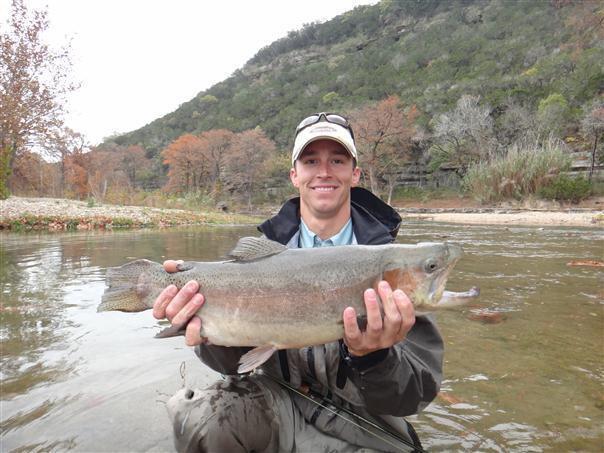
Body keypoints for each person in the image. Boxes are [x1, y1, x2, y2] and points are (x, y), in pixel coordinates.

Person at [153, 112, 444, 452]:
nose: (324, 171)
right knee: (202, 423)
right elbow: (232, 369)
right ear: (294, 175)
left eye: (337, 160)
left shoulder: (393, 265)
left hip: (365, 418)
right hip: (275, 405)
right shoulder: (257, 259)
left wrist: (374, 358)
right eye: (310, 161)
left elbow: (415, 395)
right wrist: (207, 331)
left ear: (355, 173)